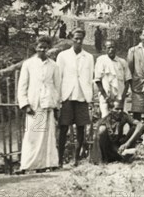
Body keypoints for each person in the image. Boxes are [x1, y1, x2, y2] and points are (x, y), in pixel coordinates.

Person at [17, 36, 61, 172]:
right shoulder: (28, 64)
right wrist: (25, 104)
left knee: (48, 136)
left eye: (45, 48)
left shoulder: (53, 65)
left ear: (48, 49)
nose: (42, 50)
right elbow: (22, 86)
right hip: (34, 104)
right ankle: (27, 165)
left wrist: (57, 104)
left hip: (48, 103)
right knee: (33, 135)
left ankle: (47, 164)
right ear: (35, 48)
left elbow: (57, 86)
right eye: (39, 47)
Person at [56, 28, 94, 166]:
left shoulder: (88, 57)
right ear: (71, 38)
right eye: (76, 38)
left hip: (82, 96)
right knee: (64, 127)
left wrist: (89, 97)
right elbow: (58, 78)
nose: (78, 41)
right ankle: (59, 160)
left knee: (80, 128)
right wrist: (59, 98)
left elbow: (89, 78)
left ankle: (76, 159)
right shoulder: (63, 56)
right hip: (67, 96)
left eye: (81, 39)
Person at [94, 39, 131, 117]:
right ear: (105, 49)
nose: (111, 50)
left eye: (113, 47)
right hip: (105, 97)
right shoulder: (101, 60)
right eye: (109, 48)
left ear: (116, 48)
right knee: (106, 118)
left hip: (119, 97)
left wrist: (122, 98)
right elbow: (98, 80)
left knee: (119, 119)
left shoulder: (122, 62)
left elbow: (127, 81)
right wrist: (106, 97)